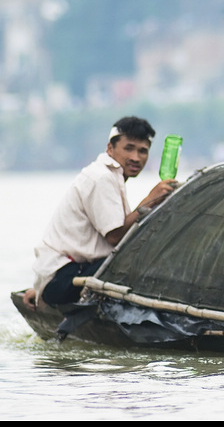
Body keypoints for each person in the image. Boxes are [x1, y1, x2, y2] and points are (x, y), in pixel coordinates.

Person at [23, 117, 177, 310]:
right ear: (110, 149)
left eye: (142, 151)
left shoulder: (111, 177)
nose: (136, 158)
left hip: (61, 275)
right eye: (128, 148)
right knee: (137, 262)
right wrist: (150, 200)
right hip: (62, 279)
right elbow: (115, 237)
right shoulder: (102, 178)